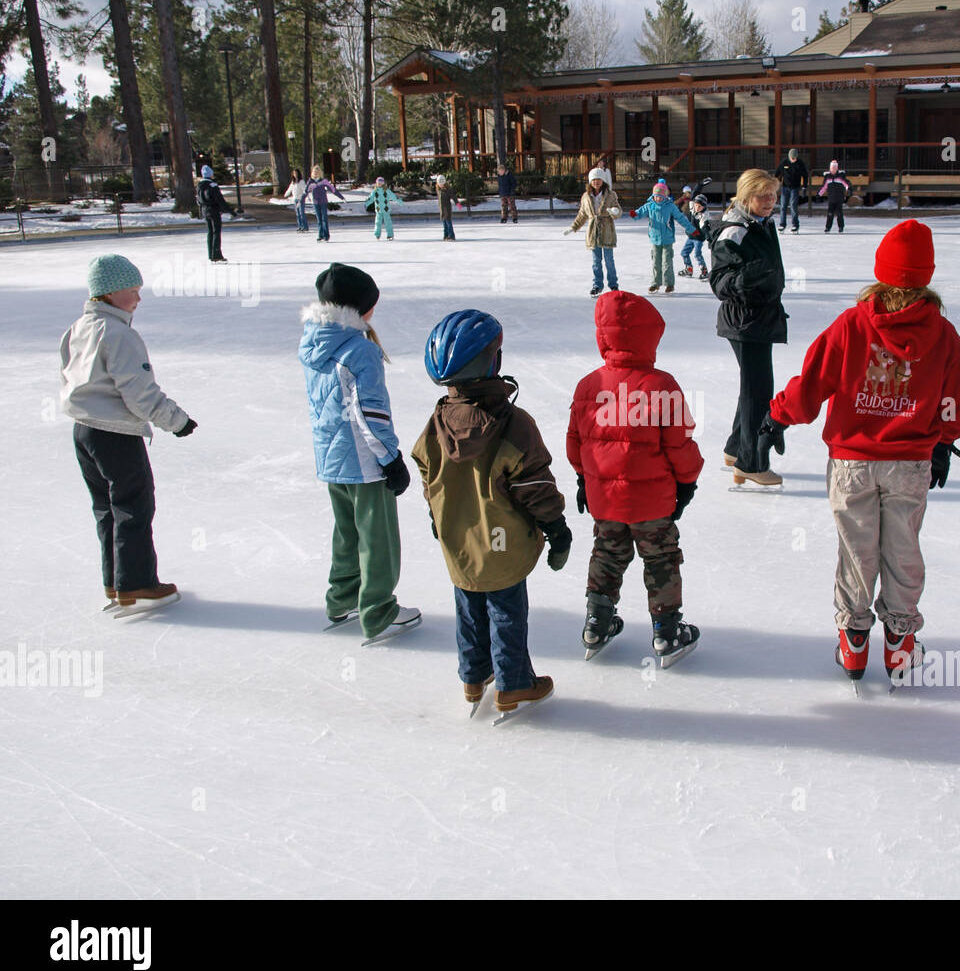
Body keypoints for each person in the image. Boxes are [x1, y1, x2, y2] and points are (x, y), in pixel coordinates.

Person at [761, 219, 960, 684]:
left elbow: (813, 382)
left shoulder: (853, 325)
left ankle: (854, 641)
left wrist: (779, 415)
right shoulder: (944, 334)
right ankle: (900, 643)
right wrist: (945, 439)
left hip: (853, 462)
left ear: (882, 270)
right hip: (910, 462)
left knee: (857, 551)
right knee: (902, 548)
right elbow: (952, 398)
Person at [414, 311, 570, 716]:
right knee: (506, 610)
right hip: (503, 542)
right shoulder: (514, 425)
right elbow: (534, 486)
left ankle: (473, 676)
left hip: (459, 540)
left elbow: (428, 476)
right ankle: (514, 684)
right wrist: (557, 528)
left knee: (468, 605)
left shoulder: (435, 425)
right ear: (492, 362)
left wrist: (437, 517)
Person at [567, 291, 705, 660]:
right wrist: (687, 482)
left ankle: (596, 623)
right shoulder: (662, 385)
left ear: (604, 336)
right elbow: (680, 442)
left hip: (605, 500)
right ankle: (667, 630)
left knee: (607, 553)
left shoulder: (588, 386)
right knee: (660, 558)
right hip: (652, 502)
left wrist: (584, 478)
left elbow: (575, 441)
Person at [59, 254, 196, 614]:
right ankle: (136, 585)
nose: (138, 298)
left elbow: (69, 374)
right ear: (108, 293)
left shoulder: (80, 327)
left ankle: (115, 580)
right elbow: (138, 392)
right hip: (115, 434)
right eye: (132, 291)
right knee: (133, 506)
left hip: (84, 431)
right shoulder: (118, 333)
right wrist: (176, 421)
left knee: (106, 508)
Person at [299, 263, 421, 643]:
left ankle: (343, 598)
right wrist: (390, 458)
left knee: (347, 533)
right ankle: (379, 611)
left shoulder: (315, 341)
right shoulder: (360, 351)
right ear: (360, 308)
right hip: (364, 461)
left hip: (331, 459)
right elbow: (369, 413)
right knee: (377, 539)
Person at [707, 168, 788, 486]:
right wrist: (747, 279)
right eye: (763, 195)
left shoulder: (760, 223)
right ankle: (750, 463)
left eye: (774, 195)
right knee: (758, 392)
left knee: (754, 389)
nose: (770, 201)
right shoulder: (735, 231)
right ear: (745, 196)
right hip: (745, 320)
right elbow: (719, 282)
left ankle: (734, 448)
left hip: (759, 316)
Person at [629, 179, 701, 294]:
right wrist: (635, 214)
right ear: (653, 195)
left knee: (667, 262)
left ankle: (669, 284)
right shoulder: (650, 205)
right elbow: (640, 212)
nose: (658, 198)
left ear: (665, 196)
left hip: (667, 239)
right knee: (656, 262)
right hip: (654, 238)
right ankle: (655, 284)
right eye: (656, 196)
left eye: (661, 196)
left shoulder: (670, 206)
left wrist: (691, 229)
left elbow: (681, 218)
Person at [563, 167, 621, 297]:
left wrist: (615, 212)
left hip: (607, 231)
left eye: (598, 179)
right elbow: (582, 214)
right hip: (593, 232)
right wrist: (574, 227)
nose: (596, 182)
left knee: (609, 261)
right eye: (594, 180)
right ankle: (597, 285)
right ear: (590, 181)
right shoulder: (585, 196)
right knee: (596, 262)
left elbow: (618, 210)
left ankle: (613, 285)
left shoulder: (611, 195)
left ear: (603, 180)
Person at [196, 164, 234, 262]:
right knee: (216, 232)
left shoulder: (199, 186)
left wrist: (201, 211)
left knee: (210, 232)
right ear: (211, 174)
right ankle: (216, 254)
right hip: (213, 210)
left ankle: (211, 254)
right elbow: (219, 199)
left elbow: (199, 201)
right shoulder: (213, 185)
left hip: (205, 210)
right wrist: (230, 210)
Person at [305, 165, 346, 242]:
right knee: (319, 220)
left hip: (323, 202)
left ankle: (326, 235)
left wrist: (341, 197)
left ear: (320, 172)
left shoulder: (323, 181)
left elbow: (333, 189)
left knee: (324, 219)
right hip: (315, 203)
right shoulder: (310, 182)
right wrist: (301, 200)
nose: (316, 173)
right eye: (314, 171)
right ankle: (320, 235)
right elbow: (305, 192)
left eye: (317, 171)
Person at [774, 148, 808, 233]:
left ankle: (795, 225)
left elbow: (805, 175)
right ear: (789, 157)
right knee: (783, 206)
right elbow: (777, 173)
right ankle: (782, 224)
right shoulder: (784, 163)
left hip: (795, 188)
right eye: (792, 158)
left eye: (795, 158)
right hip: (785, 187)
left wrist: (804, 186)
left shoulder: (800, 163)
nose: (794, 160)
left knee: (793, 206)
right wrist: (775, 183)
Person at [679, 193, 710, 280]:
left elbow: (705, 228)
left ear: (704, 207)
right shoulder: (693, 208)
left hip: (698, 239)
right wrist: (700, 185)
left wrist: (709, 238)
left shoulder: (704, 216)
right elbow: (693, 196)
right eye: (696, 205)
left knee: (697, 254)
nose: (697, 208)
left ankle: (704, 271)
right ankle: (689, 269)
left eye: (700, 206)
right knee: (684, 253)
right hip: (691, 237)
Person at [817, 160, 853, 233]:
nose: (833, 170)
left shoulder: (840, 177)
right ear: (830, 169)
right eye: (832, 168)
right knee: (830, 214)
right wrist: (819, 194)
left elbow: (846, 184)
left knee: (839, 214)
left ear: (837, 169)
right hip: (831, 199)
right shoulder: (828, 178)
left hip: (839, 198)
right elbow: (824, 187)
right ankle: (828, 227)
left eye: (834, 168)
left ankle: (841, 227)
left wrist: (849, 189)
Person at [364, 176, 402, 240]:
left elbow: (393, 196)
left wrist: (399, 201)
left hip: (386, 209)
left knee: (388, 222)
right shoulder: (375, 191)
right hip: (378, 209)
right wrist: (366, 203)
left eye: (380, 183)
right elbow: (370, 198)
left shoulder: (387, 191)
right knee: (377, 222)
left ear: (383, 184)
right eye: (378, 183)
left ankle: (390, 235)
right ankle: (377, 234)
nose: (379, 184)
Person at [286, 168, 309, 232]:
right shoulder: (293, 182)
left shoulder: (301, 181)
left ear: (298, 174)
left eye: (296, 173)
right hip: (295, 199)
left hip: (300, 199)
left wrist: (305, 196)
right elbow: (290, 189)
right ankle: (300, 226)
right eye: (294, 173)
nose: (295, 174)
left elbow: (305, 190)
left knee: (302, 213)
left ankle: (305, 227)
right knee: (298, 214)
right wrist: (286, 194)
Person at [436, 174, 457, 241]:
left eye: (442, 183)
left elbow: (454, 197)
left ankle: (451, 236)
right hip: (442, 210)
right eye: (439, 184)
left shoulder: (448, 190)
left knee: (448, 223)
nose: (441, 185)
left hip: (447, 209)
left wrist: (458, 204)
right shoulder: (438, 190)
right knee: (444, 224)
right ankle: (446, 236)